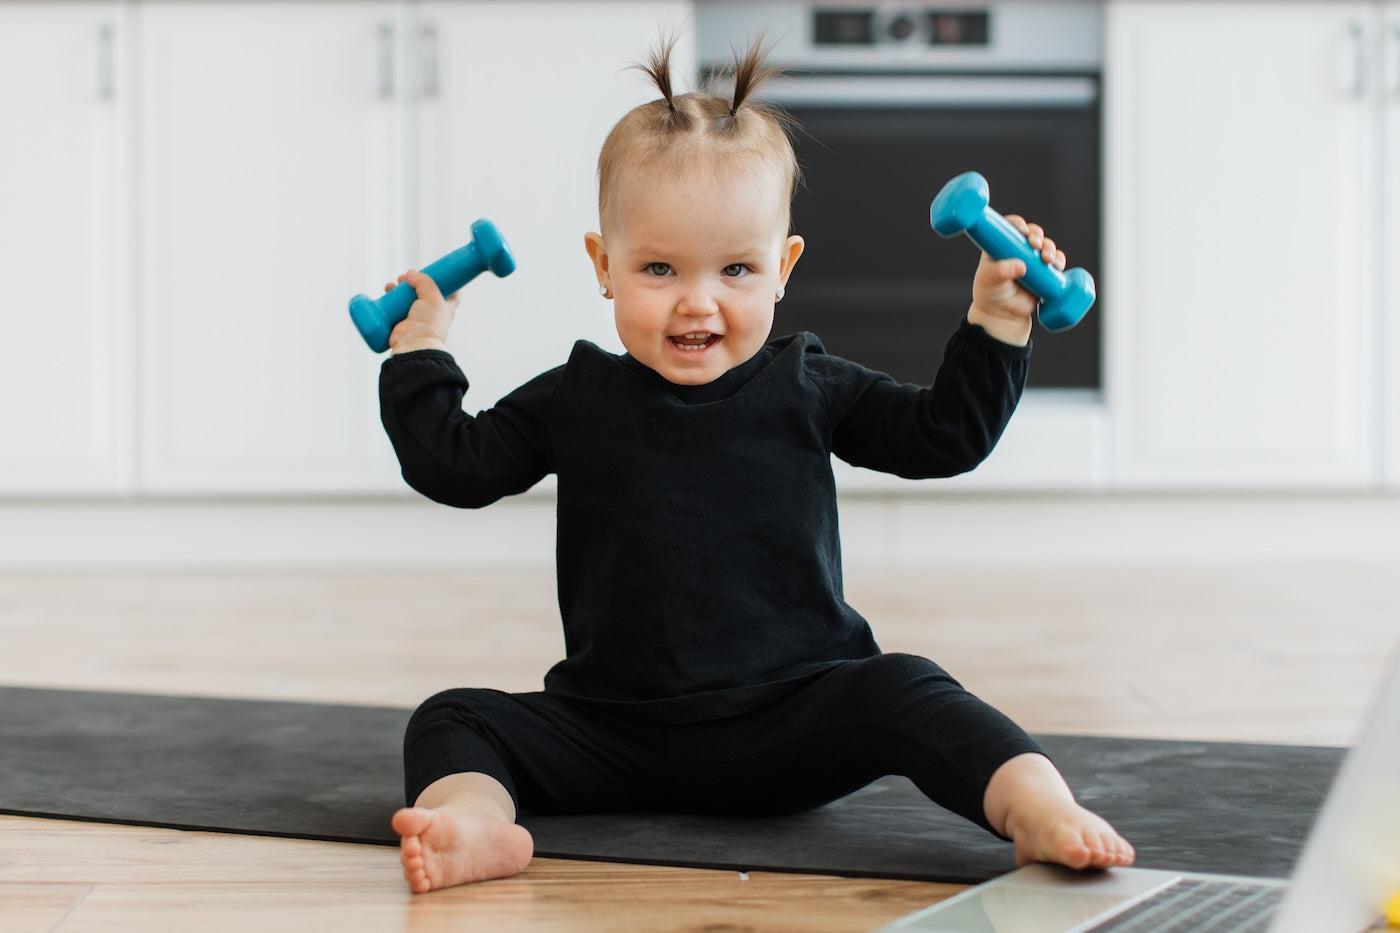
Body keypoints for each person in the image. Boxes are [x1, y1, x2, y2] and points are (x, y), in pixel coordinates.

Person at [382, 32, 1134, 895]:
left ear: (783, 268)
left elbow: (942, 437)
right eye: (658, 267)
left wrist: (998, 322)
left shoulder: (807, 382)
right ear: (603, 267)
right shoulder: (577, 395)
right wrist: (420, 353)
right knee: (453, 718)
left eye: (736, 268)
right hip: (613, 729)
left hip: (793, 725)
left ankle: (1036, 805)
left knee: (908, 689)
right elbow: (456, 464)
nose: (697, 300)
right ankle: (478, 824)